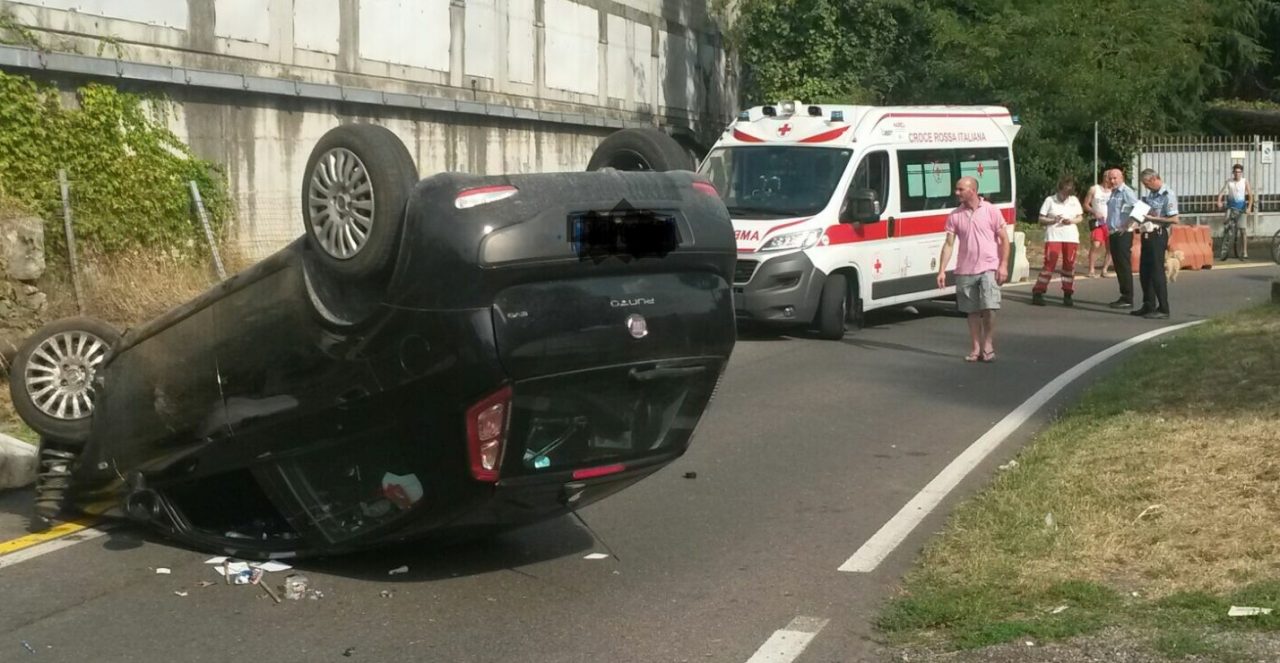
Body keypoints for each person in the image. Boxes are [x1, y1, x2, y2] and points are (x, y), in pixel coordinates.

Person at [936, 176, 1010, 362]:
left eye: (961, 189)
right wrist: (942, 270)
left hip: (989, 266)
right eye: (957, 189)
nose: (957, 193)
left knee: (990, 306)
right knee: (972, 311)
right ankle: (976, 347)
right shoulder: (955, 215)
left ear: (973, 190)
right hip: (965, 269)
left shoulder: (991, 210)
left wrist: (1003, 265)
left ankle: (988, 343)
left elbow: (1004, 240)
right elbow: (949, 244)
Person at [1031, 175, 1084, 306]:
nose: (1065, 196)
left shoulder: (1074, 200)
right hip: (1054, 235)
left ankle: (1068, 293)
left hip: (1070, 236)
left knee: (1069, 265)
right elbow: (1041, 219)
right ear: (1059, 189)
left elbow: (1080, 217)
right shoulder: (1050, 200)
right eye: (1063, 193)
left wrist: (1071, 221)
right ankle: (1039, 291)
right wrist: (1053, 220)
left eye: (1068, 193)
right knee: (1050, 264)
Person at [1134, 168, 1180, 319]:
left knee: (1156, 272)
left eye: (1147, 183)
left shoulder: (1168, 195)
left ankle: (1163, 308)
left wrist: (1153, 219)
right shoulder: (1152, 194)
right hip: (1147, 233)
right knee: (1145, 271)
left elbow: (1174, 219)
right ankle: (1148, 304)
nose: (1146, 187)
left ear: (1154, 179)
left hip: (1158, 234)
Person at [1103, 168, 1140, 309]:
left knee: (1123, 265)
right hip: (1113, 233)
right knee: (1118, 265)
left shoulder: (1126, 191)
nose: (1112, 181)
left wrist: (1127, 224)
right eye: (1110, 178)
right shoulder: (1113, 193)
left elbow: (1138, 208)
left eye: (1115, 178)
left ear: (1121, 177)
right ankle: (1124, 294)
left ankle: (1128, 297)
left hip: (1122, 233)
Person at [1216, 164, 1254, 258]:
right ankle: (1224, 251)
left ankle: (1244, 251)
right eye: (1236, 172)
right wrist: (1219, 201)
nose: (1237, 174)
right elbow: (1221, 193)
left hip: (1241, 209)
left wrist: (1249, 207)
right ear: (1233, 172)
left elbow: (1250, 196)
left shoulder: (1245, 181)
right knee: (1226, 227)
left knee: (1243, 230)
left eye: (1239, 172)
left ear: (1241, 173)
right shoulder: (1229, 182)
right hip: (1230, 208)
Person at [1080, 172, 1113, 278]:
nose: (1108, 179)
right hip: (1099, 222)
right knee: (1096, 244)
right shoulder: (1094, 189)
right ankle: (1091, 269)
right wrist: (1094, 211)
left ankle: (1105, 269)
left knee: (1110, 247)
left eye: (1110, 177)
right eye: (1106, 176)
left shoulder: (1115, 191)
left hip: (1111, 222)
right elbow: (1085, 204)